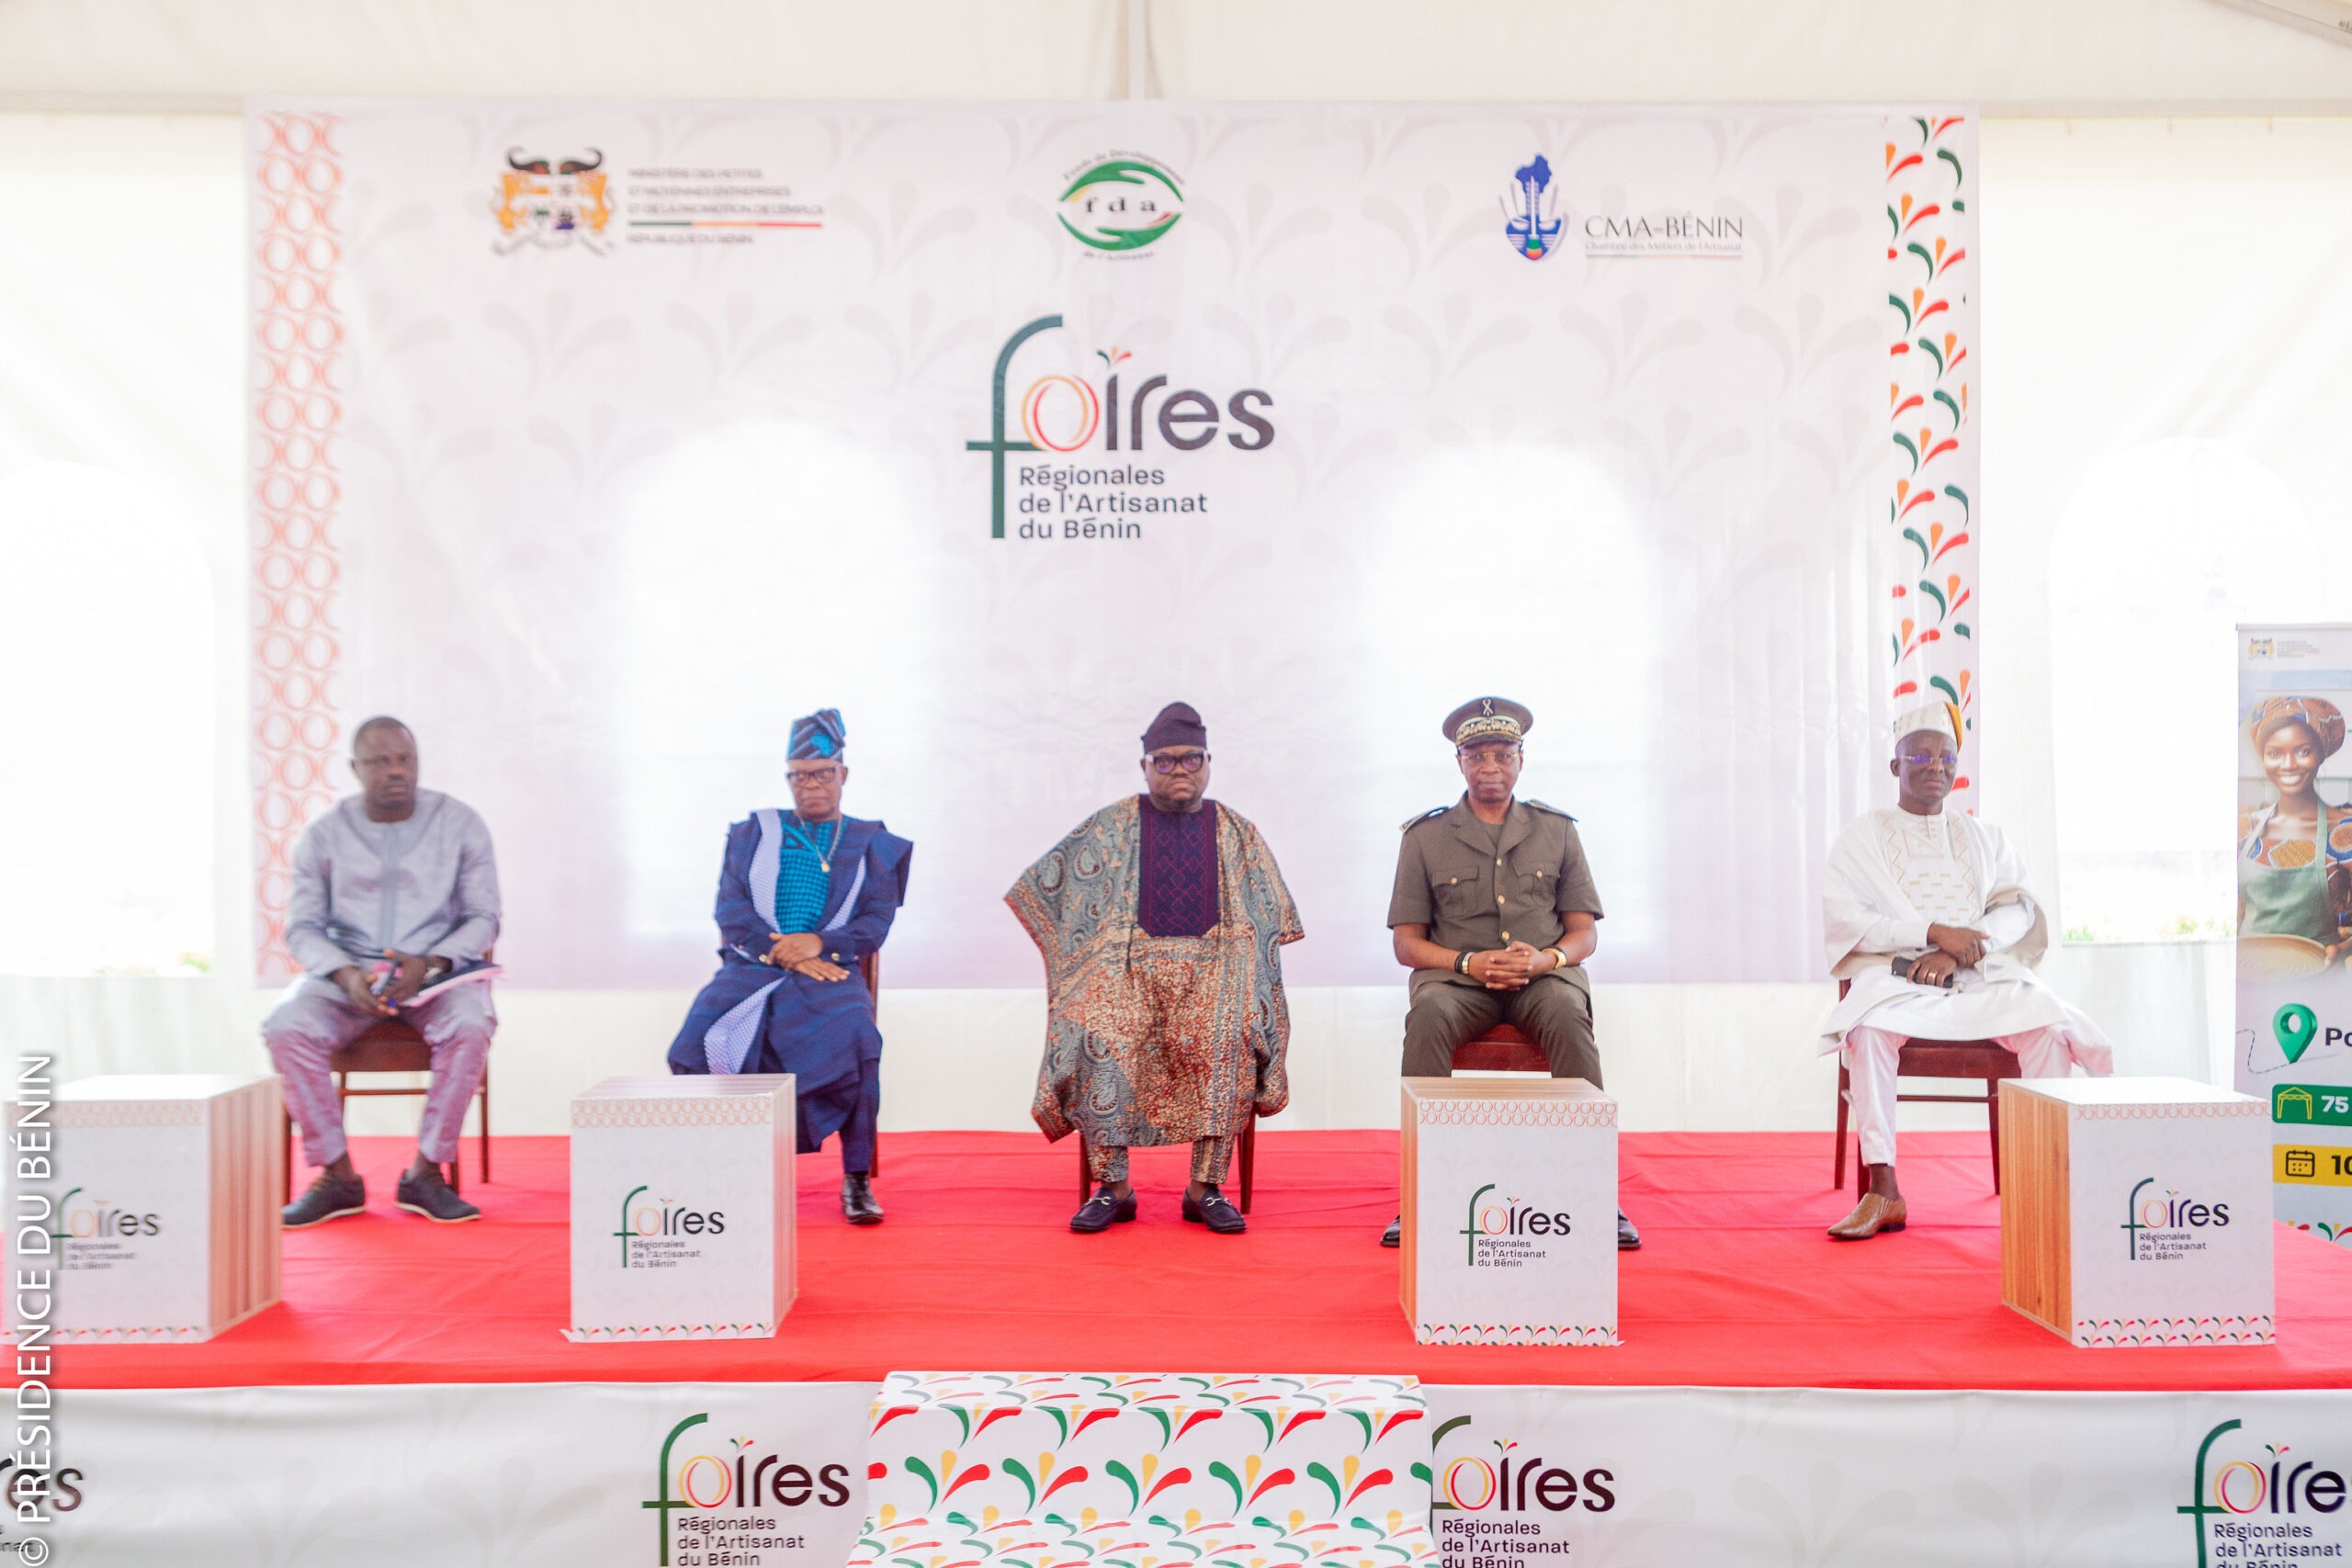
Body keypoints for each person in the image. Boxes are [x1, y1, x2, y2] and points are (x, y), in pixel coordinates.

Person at [1819, 705, 2114, 1240]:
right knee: (1868, 1030)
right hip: (1897, 978)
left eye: (1946, 757)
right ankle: (1883, 1188)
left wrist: (1958, 952)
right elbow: (1848, 920)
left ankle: (2045, 1178)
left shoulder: (1984, 836)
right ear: (1896, 766)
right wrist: (1931, 933)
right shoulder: (1860, 838)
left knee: (2047, 1028)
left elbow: (2018, 906)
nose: (1935, 766)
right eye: (1921, 756)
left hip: (1977, 980)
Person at [1009, 702, 1303, 1235]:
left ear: (1208, 762)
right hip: (1126, 978)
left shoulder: (1238, 832)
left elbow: (1270, 921)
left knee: (1225, 1034)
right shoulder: (1113, 824)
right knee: (1096, 1032)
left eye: (1190, 760)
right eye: (1163, 762)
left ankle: (1204, 1189)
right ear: (1144, 767)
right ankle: (1113, 1188)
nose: (1179, 771)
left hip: (1213, 977)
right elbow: (1045, 888)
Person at [1384, 696, 1637, 1251]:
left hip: (1541, 980)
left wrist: (1548, 959)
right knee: (1427, 1016)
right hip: (1456, 984)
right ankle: (1421, 1191)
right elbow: (1407, 943)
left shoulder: (1558, 830)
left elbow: (1583, 933)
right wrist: (1466, 962)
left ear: (1522, 758)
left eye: (1503, 754)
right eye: (1477, 756)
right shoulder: (1424, 838)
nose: (1490, 767)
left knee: (1570, 1015)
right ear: (1460, 762)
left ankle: (1590, 1187)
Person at [666, 708, 912, 1225]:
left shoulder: (876, 843)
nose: (811, 785)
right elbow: (729, 910)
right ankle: (719, 1169)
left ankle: (857, 1178)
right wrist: (780, 951)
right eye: (799, 775)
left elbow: (876, 923)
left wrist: (819, 942)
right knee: (694, 1040)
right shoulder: (753, 832)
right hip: (752, 967)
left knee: (859, 1037)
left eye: (822, 773)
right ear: (788, 778)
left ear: (843, 774)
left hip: (832, 970)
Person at [266, 716, 502, 1227]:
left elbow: (483, 918)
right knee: (284, 1026)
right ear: (354, 768)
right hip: (346, 979)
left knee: (470, 1022)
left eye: (405, 759)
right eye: (380, 761)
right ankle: (338, 1177)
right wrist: (345, 974)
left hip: (435, 975)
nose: (396, 771)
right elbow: (303, 928)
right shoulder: (324, 835)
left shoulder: (460, 823)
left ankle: (425, 1173)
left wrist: (433, 963)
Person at [2237, 696, 2352, 952]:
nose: (2288, 765)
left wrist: (2344, 949)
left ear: (2320, 755)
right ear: (2263, 758)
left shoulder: (2345, 833)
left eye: (2303, 751)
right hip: (2252, 978)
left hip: (2319, 979)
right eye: (2275, 753)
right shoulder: (2244, 828)